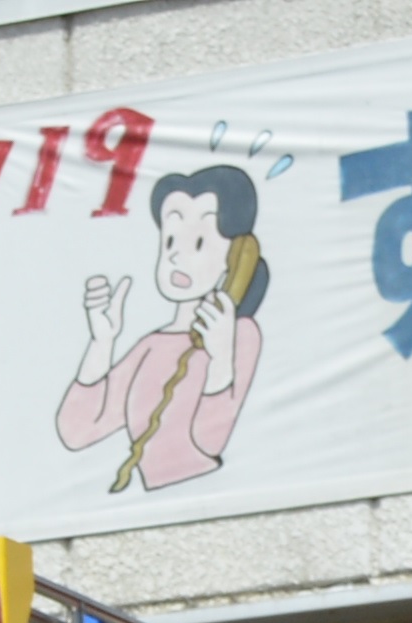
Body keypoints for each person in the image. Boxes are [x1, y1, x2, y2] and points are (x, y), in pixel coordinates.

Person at [58, 164, 268, 493]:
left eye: (199, 243)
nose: (176, 257)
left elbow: (208, 441)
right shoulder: (153, 345)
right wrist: (102, 342)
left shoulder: (241, 334)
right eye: (170, 240)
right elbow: (79, 429)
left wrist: (221, 362)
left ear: (234, 257)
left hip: (213, 501)